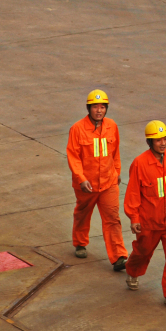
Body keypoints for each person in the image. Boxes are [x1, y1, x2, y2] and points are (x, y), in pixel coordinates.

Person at [123, 120, 166, 309]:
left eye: (165, 138)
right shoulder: (140, 164)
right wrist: (134, 218)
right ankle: (132, 270)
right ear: (150, 142)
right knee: (143, 252)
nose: (163, 143)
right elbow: (133, 193)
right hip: (149, 222)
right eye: (158, 140)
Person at [66, 89, 128, 270]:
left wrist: (116, 172)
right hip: (86, 185)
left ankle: (119, 257)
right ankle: (80, 241)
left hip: (108, 183)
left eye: (102, 107)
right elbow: (73, 157)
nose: (99, 110)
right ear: (88, 108)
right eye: (95, 107)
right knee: (83, 213)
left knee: (112, 218)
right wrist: (81, 179)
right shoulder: (77, 129)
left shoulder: (112, 126)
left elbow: (115, 152)